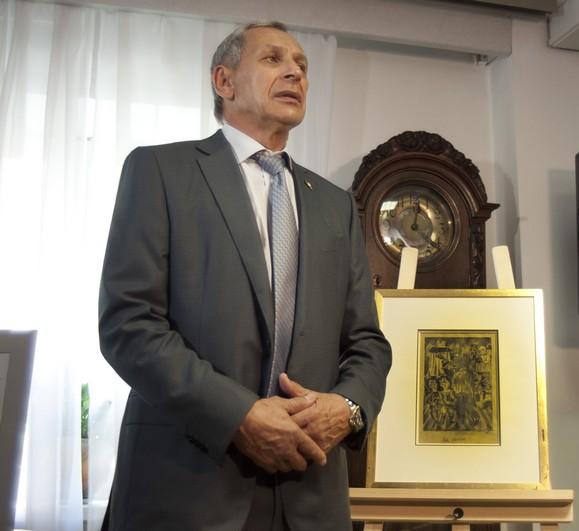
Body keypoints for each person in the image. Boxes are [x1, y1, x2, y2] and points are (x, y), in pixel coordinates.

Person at [98, 21, 391, 530]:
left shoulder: (335, 205)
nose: (295, 73)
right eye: (274, 59)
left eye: (302, 66)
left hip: (310, 492)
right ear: (224, 81)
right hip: (188, 488)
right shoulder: (160, 172)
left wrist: (346, 408)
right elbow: (130, 324)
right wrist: (239, 416)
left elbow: (367, 342)